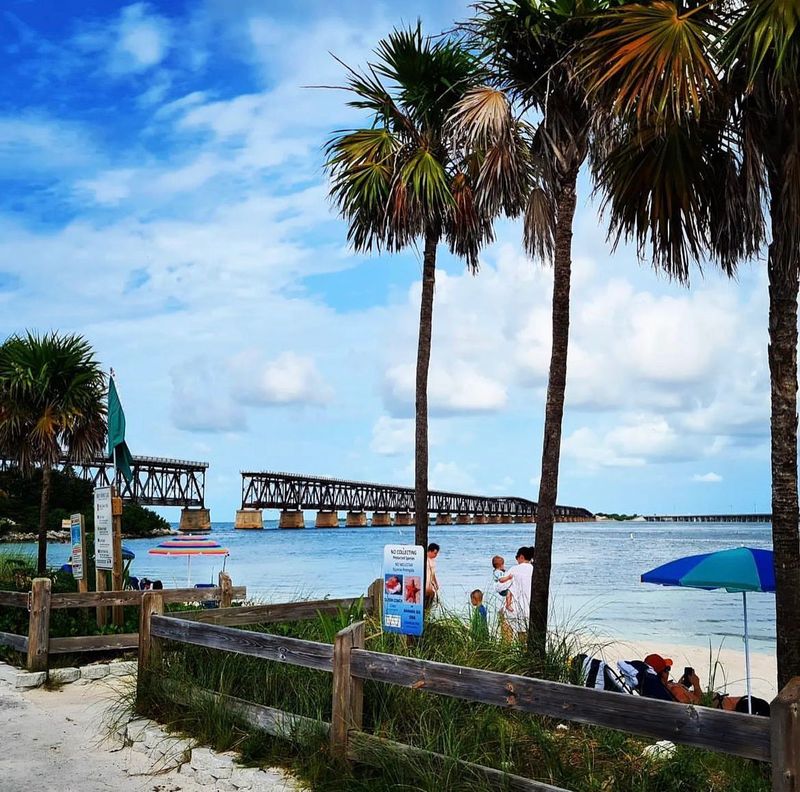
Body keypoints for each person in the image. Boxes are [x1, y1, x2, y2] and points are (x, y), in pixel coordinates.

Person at [641, 653, 771, 715]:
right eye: (667, 669)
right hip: (728, 708)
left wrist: (683, 685)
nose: (669, 672)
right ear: (662, 674)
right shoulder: (675, 692)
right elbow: (701, 705)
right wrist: (696, 685)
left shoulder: (664, 688)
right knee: (761, 706)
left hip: (725, 703)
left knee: (760, 705)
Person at [495, 546, 534, 642]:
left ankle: (506, 654)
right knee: (523, 640)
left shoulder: (514, 569)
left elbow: (499, 587)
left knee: (507, 640)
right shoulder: (534, 569)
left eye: (517, 558)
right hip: (529, 610)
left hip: (513, 609)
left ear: (521, 557)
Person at [425, 543, 440, 607]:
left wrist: (436, 583)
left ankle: (427, 612)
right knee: (430, 595)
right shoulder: (424, 560)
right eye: (435, 553)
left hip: (430, 584)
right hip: (425, 584)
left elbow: (433, 574)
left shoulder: (433, 561)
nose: (436, 555)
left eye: (436, 553)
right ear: (430, 551)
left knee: (430, 598)